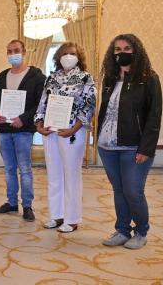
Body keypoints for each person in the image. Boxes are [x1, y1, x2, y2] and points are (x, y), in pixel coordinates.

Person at [97, 34, 162, 249]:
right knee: (118, 189)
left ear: (136, 51)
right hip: (108, 145)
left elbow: (154, 116)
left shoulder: (149, 78)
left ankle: (141, 231)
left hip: (133, 146)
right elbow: (106, 111)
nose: (122, 53)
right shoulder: (110, 78)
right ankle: (122, 230)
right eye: (117, 49)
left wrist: (146, 148)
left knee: (133, 191)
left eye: (126, 48)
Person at [35, 41, 96, 233]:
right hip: (51, 130)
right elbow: (43, 102)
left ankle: (72, 218)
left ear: (79, 57)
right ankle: (56, 215)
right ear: (58, 57)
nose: (68, 56)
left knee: (71, 174)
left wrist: (74, 128)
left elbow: (89, 105)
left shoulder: (86, 78)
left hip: (72, 131)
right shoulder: (51, 78)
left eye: (72, 53)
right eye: (64, 53)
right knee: (53, 174)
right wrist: (38, 124)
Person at [0, 39, 45, 222]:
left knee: (25, 169)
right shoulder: (1, 77)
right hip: (4, 130)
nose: (13, 54)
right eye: (10, 51)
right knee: (9, 169)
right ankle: (11, 202)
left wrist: (24, 119)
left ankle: (27, 205)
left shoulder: (36, 77)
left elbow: (40, 104)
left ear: (24, 51)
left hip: (24, 131)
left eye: (16, 50)